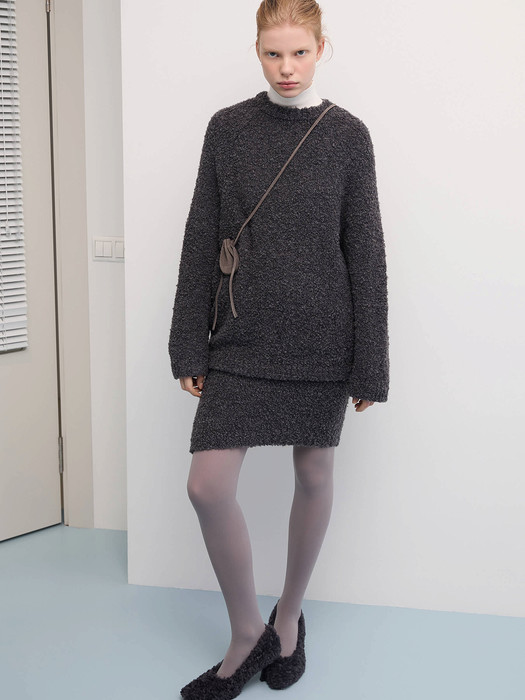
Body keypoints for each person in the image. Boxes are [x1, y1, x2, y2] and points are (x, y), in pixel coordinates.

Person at [168, 1, 390, 698]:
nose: (286, 68)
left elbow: (365, 251)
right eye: (273, 53)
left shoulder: (347, 135)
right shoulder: (228, 129)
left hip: (323, 337)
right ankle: (248, 633)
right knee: (207, 486)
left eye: (299, 52)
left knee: (314, 474)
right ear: (256, 51)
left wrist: (371, 362)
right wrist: (188, 344)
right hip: (240, 336)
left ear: (322, 47)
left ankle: (288, 619)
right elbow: (202, 235)